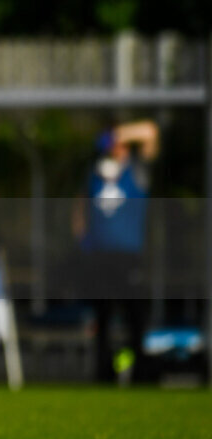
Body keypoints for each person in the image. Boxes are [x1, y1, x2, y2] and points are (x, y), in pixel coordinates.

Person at [72, 119, 159, 383]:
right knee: (103, 318)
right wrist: (82, 239)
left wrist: (119, 133)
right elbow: (79, 208)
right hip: (100, 257)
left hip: (129, 257)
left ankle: (140, 375)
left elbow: (150, 132)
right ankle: (104, 375)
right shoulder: (95, 173)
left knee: (135, 318)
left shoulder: (137, 170)